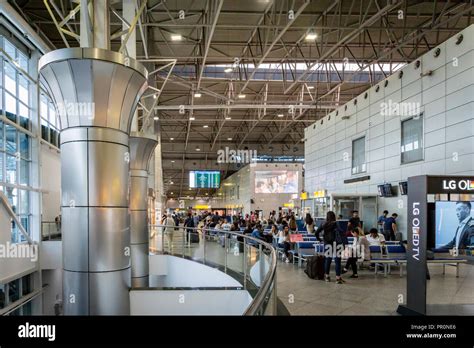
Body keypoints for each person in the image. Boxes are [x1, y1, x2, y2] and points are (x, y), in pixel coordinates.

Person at [316, 211, 346, 284]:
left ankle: (327, 277)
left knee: (328, 260)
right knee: (337, 261)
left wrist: (320, 240)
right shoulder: (336, 223)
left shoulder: (323, 223)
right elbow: (341, 232)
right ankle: (338, 278)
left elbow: (316, 232)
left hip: (327, 243)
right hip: (336, 244)